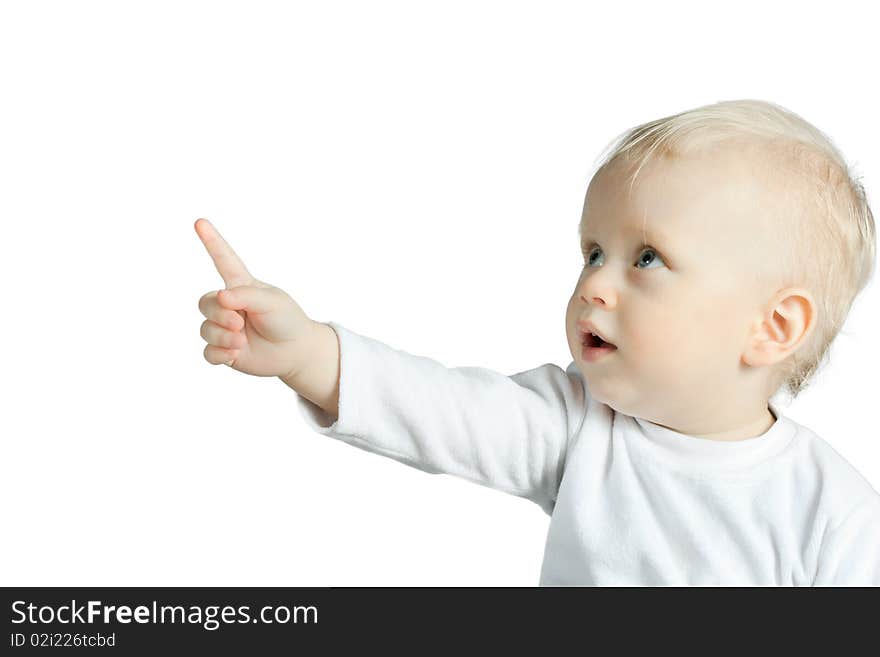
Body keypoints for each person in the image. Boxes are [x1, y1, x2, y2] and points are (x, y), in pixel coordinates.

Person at [195, 98, 880, 586]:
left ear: (772, 327)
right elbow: (443, 409)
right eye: (592, 252)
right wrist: (308, 353)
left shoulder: (836, 516)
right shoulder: (580, 425)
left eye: (646, 259)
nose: (595, 284)